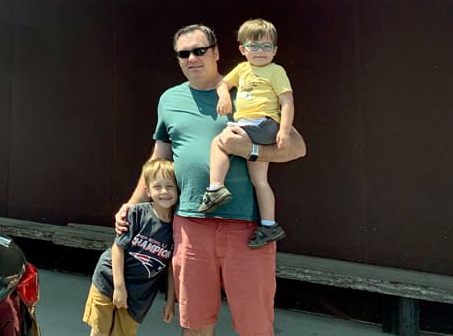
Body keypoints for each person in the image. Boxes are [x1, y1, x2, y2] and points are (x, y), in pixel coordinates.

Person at [115, 24, 306, 336]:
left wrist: (252, 149)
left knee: (255, 326)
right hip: (191, 226)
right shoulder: (169, 99)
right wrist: (132, 204)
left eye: (200, 50)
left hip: (247, 229)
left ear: (217, 53)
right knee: (195, 324)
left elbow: (298, 148)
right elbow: (158, 160)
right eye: (184, 53)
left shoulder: (247, 87)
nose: (192, 58)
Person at [198, 18, 295, 247]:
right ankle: (270, 225)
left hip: (264, 124)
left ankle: (215, 188)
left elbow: (287, 100)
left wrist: (285, 131)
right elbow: (223, 84)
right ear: (243, 49)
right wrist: (223, 96)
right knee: (259, 180)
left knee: (220, 141)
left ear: (275, 50)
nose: (260, 52)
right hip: (252, 128)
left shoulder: (275, 70)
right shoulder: (242, 69)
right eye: (254, 46)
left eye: (266, 47)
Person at [82, 157, 177, 336]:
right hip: (109, 280)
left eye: (170, 186)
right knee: (100, 331)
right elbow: (118, 248)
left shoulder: (177, 228)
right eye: (158, 186)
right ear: (148, 191)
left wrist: (170, 300)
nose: (164, 191)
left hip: (138, 296)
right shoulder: (138, 213)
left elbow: (172, 265)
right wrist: (119, 287)